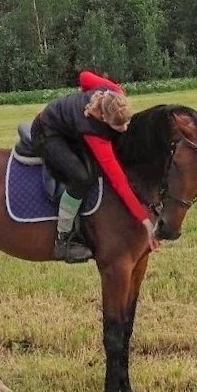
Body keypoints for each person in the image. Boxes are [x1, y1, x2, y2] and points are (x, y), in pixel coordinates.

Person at [30, 69, 159, 263]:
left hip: (69, 124)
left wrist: (84, 90)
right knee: (82, 177)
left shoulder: (113, 91)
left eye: (127, 121)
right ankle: (63, 238)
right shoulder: (94, 133)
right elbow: (119, 182)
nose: (125, 128)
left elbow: (84, 76)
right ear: (105, 119)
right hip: (47, 132)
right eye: (119, 126)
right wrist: (145, 221)